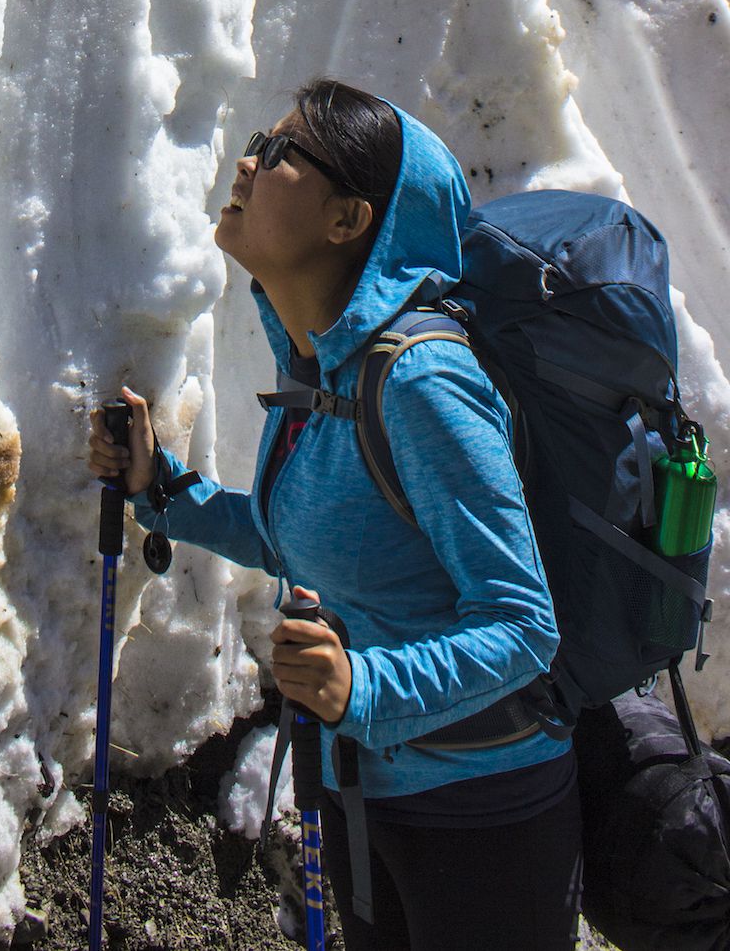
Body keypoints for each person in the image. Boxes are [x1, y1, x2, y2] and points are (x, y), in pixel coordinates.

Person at [89, 79, 582, 951]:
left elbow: (523, 622)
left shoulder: (423, 385)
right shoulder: (323, 376)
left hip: (479, 815)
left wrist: (364, 687)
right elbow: (302, 540)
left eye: (278, 153)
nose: (245, 163)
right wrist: (160, 489)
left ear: (349, 219)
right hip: (365, 790)